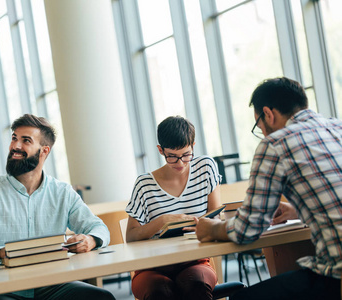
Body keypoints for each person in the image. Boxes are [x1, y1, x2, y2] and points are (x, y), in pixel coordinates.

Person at [195, 77, 342, 300]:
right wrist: (297, 209)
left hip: (337, 276)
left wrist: (212, 229)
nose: (262, 133)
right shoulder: (337, 127)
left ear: (268, 114)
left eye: (259, 125)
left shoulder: (275, 143)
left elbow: (248, 229)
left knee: (241, 298)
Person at [0, 114, 115, 300]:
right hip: (6, 290)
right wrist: (2, 253)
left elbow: (100, 229)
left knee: (101, 298)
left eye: (26, 141)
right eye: (14, 138)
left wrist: (90, 240)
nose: (15, 146)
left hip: (52, 286)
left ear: (44, 151)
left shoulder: (62, 192)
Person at [125, 116, 221, 300]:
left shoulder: (206, 168)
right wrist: (162, 221)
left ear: (193, 145)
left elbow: (216, 218)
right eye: (172, 156)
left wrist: (203, 225)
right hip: (151, 266)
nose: (180, 163)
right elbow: (131, 236)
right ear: (160, 150)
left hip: (195, 260)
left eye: (186, 154)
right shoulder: (144, 184)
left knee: (197, 286)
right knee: (160, 292)